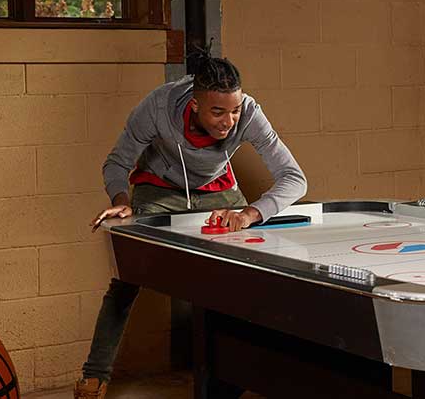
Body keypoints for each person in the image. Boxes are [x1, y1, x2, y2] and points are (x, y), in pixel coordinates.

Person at [74, 49, 307, 398]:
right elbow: (116, 162)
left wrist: (249, 213)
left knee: (253, 269)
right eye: (217, 112)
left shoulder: (250, 114)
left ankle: (241, 375)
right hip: (159, 190)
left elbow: (295, 178)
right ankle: (94, 375)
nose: (228, 122)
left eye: (234, 110)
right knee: (126, 278)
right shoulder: (157, 107)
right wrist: (122, 202)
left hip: (219, 192)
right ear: (195, 105)